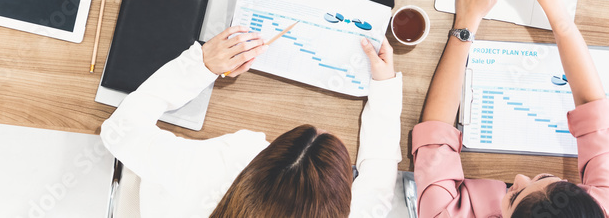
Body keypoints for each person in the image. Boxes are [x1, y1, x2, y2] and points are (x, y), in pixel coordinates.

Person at [411, 0, 609, 218]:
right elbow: (592, 108)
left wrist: (466, 21)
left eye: (513, 195)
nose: (519, 176)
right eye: (546, 177)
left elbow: (435, 137)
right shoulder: (605, 211)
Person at [101, 26, 403, 217]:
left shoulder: (210, 171)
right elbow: (379, 183)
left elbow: (119, 131)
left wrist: (201, 65)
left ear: (258, 162)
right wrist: (385, 85)